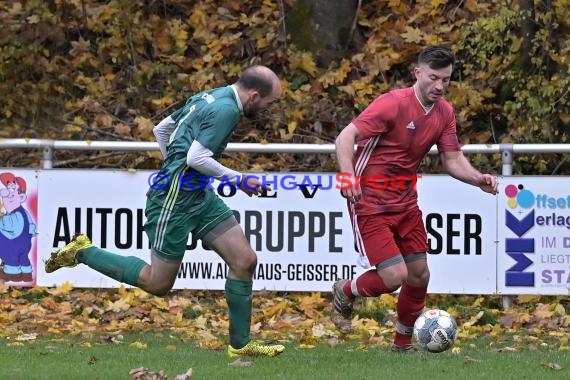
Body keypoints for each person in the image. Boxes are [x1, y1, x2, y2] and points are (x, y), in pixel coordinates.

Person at [45, 65, 285, 358]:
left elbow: (162, 129)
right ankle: (82, 251)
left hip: (197, 194)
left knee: (245, 260)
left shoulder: (211, 95)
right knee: (157, 283)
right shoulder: (228, 111)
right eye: (269, 103)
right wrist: (238, 179)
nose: (268, 109)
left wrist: (173, 164)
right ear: (254, 96)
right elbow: (196, 157)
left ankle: (241, 345)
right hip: (172, 200)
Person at [331, 46, 498, 352]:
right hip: (369, 199)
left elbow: (452, 158)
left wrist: (478, 179)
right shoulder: (393, 103)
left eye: (445, 80)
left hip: (406, 201)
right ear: (418, 73)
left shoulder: (445, 111)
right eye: (434, 78)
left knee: (420, 274)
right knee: (395, 276)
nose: (439, 86)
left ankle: (402, 344)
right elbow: (345, 137)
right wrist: (347, 176)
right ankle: (345, 289)